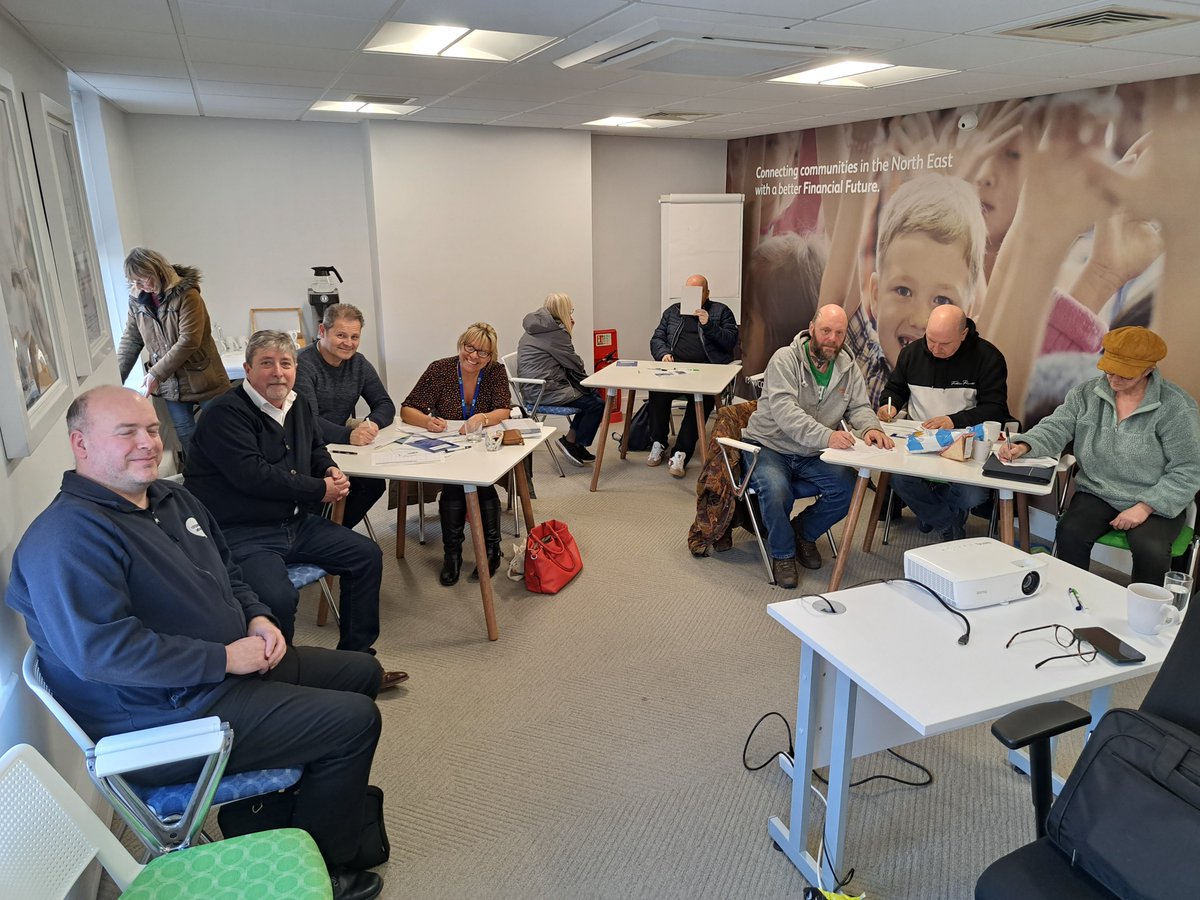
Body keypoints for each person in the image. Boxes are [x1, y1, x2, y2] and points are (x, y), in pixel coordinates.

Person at [5, 385, 386, 900]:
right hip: (166, 717)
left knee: (361, 673)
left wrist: (258, 618)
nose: (147, 442)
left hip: (226, 672)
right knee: (353, 722)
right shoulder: (66, 539)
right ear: (81, 444)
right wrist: (224, 657)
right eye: (126, 433)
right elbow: (102, 653)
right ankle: (326, 867)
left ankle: (282, 814)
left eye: (152, 429)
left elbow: (228, 569)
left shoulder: (169, 496)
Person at [185, 331, 404, 689]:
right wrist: (320, 488)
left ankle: (356, 660)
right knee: (277, 596)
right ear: (247, 370)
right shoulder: (223, 415)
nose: (278, 372)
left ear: (295, 368)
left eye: (285, 364)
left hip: (294, 523)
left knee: (365, 555)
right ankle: (279, 682)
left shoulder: (297, 404)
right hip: (241, 532)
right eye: (267, 363)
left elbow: (315, 447)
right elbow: (254, 477)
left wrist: (328, 468)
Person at [1000, 327, 1200, 585]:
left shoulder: (1175, 407)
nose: (1113, 379)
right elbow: (1057, 426)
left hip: (1154, 498)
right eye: (1109, 370)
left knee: (1150, 548)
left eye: (1124, 375)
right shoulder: (1086, 394)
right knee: (1070, 531)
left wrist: (1145, 506)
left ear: (1148, 369)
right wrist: (1026, 444)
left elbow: (1188, 468)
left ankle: (1145, 615)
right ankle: (1071, 595)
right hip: (1098, 490)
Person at [742, 305, 893, 588]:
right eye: (825, 331)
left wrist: (871, 427)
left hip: (811, 452)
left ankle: (803, 532)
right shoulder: (785, 359)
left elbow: (859, 407)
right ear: (811, 328)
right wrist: (827, 437)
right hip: (770, 445)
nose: (832, 339)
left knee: (849, 489)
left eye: (839, 333)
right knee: (776, 490)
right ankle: (783, 553)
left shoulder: (848, 368)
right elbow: (786, 412)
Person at [843, 174, 988, 409]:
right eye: (903, 290)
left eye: (942, 300)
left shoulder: (968, 388)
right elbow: (842, 242)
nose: (921, 320)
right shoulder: (859, 360)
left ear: (966, 317)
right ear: (876, 295)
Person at [877, 304, 1010, 541]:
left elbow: (995, 410)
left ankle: (931, 514)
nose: (936, 349)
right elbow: (894, 389)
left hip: (964, 446)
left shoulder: (988, 358)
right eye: (930, 340)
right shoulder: (911, 353)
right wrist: (890, 406)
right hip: (920, 445)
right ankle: (947, 523)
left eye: (945, 343)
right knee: (899, 480)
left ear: (963, 334)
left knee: (974, 495)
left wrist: (954, 420)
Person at [400, 323, 512, 586]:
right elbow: (408, 409)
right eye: (468, 348)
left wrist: (481, 418)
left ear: (491, 356)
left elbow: (503, 409)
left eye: (482, 353)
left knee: (482, 484)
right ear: (461, 345)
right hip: (449, 445)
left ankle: (492, 549)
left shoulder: (496, 371)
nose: (473, 356)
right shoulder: (440, 369)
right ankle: (453, 555)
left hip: (482, 444)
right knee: (453, 487)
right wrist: (427, 422)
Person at [116, 248, 230, 455]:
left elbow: (189, 341)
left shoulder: (188, 296)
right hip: (171, 384)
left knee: (220, 433)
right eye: (133, 281)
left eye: (141, 280)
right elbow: (132, 339)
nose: (137, 286)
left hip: (204, 377)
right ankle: (198, 480)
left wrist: (156, 373)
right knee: (186, 436)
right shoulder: (137, 300)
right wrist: (116, 379)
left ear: (157, 272)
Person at [296, 303, 395, 529]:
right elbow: (307, 420)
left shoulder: (358, 363)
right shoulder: (303, 364)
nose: (348, 343)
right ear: (322, 331)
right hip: (306, 445)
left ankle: (335, 532)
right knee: (325, 489)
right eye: (341, 335)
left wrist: (371, 424)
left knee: (373, 484)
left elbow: (384, 403)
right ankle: (321, 533)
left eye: (354, 336)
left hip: (341, 445)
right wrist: (349, 435)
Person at [647, 274, 739, 479]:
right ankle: (658, 442)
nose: (692, 296)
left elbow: (730, 342)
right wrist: (663, 353)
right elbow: (657, 338)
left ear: (707, 293)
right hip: (676, 370)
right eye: (688, 291)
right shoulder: (673, 312)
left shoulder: (721, 311)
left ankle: (681, 452)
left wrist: (709, 325)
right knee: (657, 391)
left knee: (702, 398)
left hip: (708, 370)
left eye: (697, 291)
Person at [517, 292, 605, 466]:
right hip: (542, 391)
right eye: (570, 311)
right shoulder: (556, 333)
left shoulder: (537, 326)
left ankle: (571, 441)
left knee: (590, 397)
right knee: (596, 403)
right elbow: (574, 363)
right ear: (564, 311)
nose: (571, 315)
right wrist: (568, 332)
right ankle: (575, 443)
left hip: (534, 387)